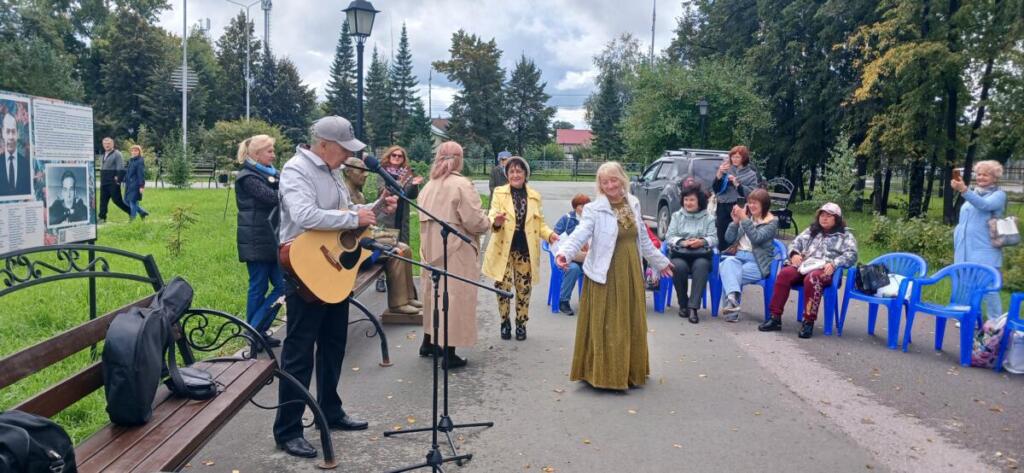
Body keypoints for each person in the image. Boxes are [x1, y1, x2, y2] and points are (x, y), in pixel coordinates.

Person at [273, 116, 397, 459]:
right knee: (299, 351)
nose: (348, 157)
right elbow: (304, 215)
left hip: (332, 270)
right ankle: (287, 429)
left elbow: (342, 212)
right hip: (305, 268)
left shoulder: (330, 171)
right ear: (324, 144)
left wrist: (373, 209)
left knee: (333, 344)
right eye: (344, 150)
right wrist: (352, 218)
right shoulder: (296, 169)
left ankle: (330, 409)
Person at [555, 162, 673, 391]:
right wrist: (565, 253)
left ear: (622, 179)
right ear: (600, 185)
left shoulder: (633, 203)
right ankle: (602, 374)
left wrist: (660, 262)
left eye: (613, 180)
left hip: (629, 271)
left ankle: (629, 371)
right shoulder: (594, 209)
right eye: (604, 182)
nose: (610, 185)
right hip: (604, 273)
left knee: (628, 322)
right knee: (607, 323)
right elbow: (580, 234)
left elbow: (644, 240)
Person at [417, 141, 493, 369]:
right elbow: (474, 221)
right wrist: (490, 221)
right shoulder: (461, 185)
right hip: (455, 251)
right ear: (459, 159)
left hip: (430, 252)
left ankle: (429, 342)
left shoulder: (429, 186)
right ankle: (449, 353)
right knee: (454, 299)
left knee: (433, 296)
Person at [483, 156, 558, 341]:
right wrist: (496, 221)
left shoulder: (534, 196)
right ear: (507, 174)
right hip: (503, 249)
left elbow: (540, 224)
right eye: (511, 171)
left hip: (525, 251)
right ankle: (504, 322)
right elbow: (492, 214)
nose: (515, 174)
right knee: (503, 286)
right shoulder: (500, 193)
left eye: (519, 171)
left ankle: (521, 323)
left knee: (524, 288)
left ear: (525, 174)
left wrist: (550, 235)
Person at [759, 202, 857, 339]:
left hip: (825, 270)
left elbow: (852, 255)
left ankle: (808, 322)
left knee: (812, 278)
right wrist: (794, 254)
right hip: (805, 265)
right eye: (822, 215)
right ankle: (775, 317)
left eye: (829, 216)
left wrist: (835, 263)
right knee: (785, 274)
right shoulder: (812, 230)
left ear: (837, 219)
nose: (824, 218)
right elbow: (794, 243)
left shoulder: (845, 235)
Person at [341, 156, 421, 316]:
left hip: (363, 237)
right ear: (348, 172)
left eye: (366, 171)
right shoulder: (345, 193)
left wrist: (381, 204)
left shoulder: (359, 194)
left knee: (405, 248)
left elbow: (366, 219)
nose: (365, 175)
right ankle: (398, 304)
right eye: (361, 171)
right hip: (351, 250)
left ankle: (408, 297)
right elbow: (345, 222)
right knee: (397, 253)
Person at [235, 135, 283, 347]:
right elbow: (271, 197)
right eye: (269, 151)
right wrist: (289, 190)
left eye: (273, 151)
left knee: (283, 286)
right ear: (255, 154)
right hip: (255, 239)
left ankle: (256, 329)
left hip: (271, 238)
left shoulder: (271, 174)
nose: (273, 155)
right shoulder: (248, 177)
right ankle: (254, 332)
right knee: (258, 287)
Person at [952, 160, 1007, 317]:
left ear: (995, 177)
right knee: (968, 285)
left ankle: (995, 323)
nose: (981, 177)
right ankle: (969, 316)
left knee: (988, 287)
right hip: (965, 248)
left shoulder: (999, 195)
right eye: (979, 174)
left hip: (985, 250)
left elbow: (984, 205)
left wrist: (963, 190)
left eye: (986, 174)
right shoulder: (974, 193)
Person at [719, 189, 778, 322]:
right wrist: (734, 222)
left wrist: (744, 219)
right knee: (727, 264)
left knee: (730, 274)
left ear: (764, 205)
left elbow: (756, 238)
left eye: (755, 203)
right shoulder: (747, 219)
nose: (751, 206)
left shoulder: (772, 222)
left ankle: (731, 312)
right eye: (750, 203)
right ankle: (732, 302)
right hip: (739, 257)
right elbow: (728, 239)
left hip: (757, 263)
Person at [665, 182, 717, 323]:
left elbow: (714, 238)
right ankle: (683, 304)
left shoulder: (709, 218)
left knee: (701, 266)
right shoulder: (677, 216)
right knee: (678, 266)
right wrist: (683, 242)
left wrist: (701, 241)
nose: (688, 203)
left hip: (700, 254)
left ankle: (693, 308)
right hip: (680, 253)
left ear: (699, 201)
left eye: (692, 200)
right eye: (686, 200)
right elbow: (669, 237)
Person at [712, 145, 761, 251]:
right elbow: (716, 188)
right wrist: (719, 174)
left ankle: (735, 256)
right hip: (722, 205)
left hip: (739, 206)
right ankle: (721, 259)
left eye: (737, 157)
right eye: (733, 157)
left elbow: (752, 194)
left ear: (744, 158)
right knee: (721, 235)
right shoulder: (726, 169)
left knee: (736, 235)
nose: (734, 159)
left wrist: (737, 184)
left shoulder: (751, 174)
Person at [553, 194, 592, 315]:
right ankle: (564, 301)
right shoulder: (567, 219)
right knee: (573, 269)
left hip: (587, 257)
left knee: (598, 268)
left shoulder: (592, 219)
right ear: (575, 207)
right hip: (568, 257)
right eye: (581, 205)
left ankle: (590, 302)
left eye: (587, 205)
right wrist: (561, 254)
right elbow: (554, 238)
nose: (584, 208)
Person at [97, 137, 130, 222]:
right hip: (104, 181)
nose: (107, 145)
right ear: (103, 145)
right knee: (103, 201)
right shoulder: (103, 154)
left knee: (117, 201)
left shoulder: (117, 154)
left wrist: (118, 180)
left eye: (108, 143)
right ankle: (102, 217)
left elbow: (121, 168)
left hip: (113, 182)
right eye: (105, 144)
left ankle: (131, 212)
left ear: (112, 144)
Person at [0, 112, 30, 196]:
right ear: (3, 133)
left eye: (13, 132)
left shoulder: (25, 164)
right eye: (7, 131)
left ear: (18, 133)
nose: (10, 137)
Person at [123, 145, 149, 221]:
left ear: (139, 152)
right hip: (129, 184)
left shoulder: (140, 161)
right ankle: (142, 212)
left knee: (133, 202)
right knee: (126, 201)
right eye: (132, 151)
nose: (134, 152)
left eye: (136, 151)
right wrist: (123, 179)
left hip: (135, 185)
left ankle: (132, 220)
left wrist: (141, 186)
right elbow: (129, 172)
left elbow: (141, 174)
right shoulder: (131, 160)